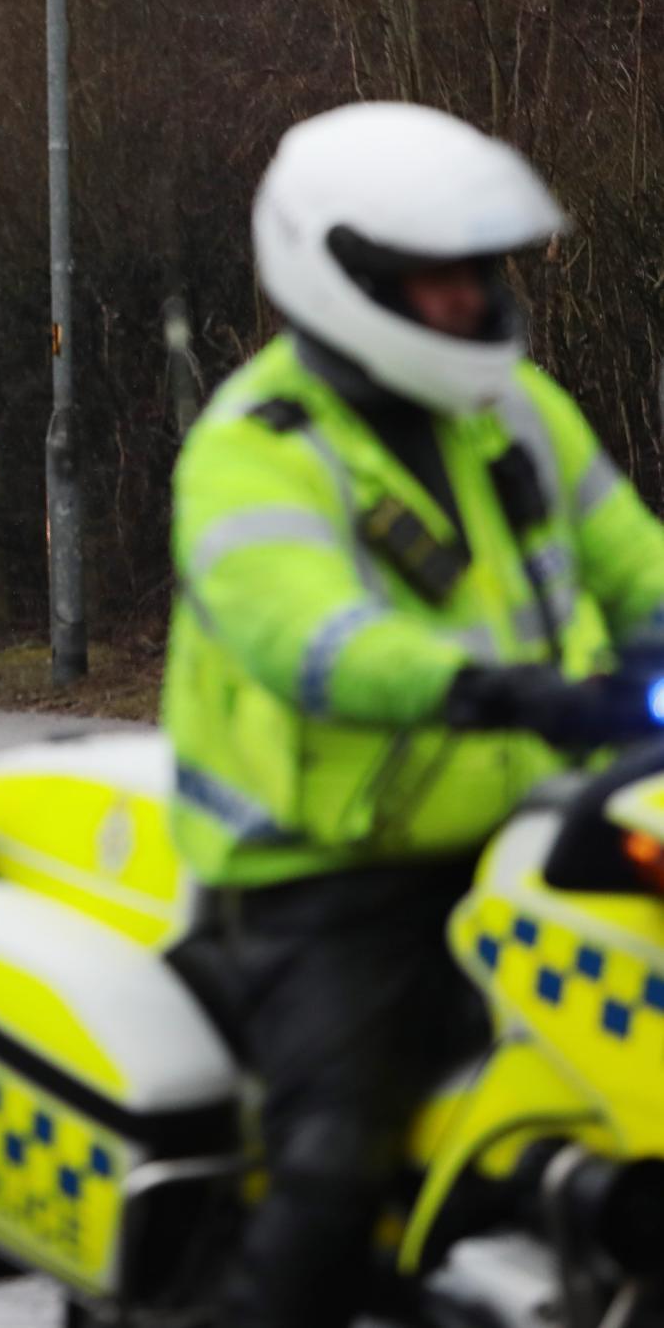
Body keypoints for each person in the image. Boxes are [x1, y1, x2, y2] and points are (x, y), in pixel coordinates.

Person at [163, 101, 664, 1328]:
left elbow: (637, 560)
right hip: (326, 875)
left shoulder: (516, 411)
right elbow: (312, 640)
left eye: (481, 271)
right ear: (344, 277)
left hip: (531, 833)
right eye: (436, 278)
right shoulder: (252, 449)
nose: (472, 301)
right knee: (333, 1168)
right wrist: (496, 691)